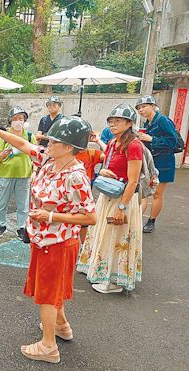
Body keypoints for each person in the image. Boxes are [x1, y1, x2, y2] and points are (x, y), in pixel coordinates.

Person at [0, 115, 96, 364]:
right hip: (44, 240)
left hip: (59, 243)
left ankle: (48, 346)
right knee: (52, 291)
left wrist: (50, 214)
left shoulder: (75, 175)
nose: (47, 143)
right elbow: (22, 144)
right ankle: (62, 327)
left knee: (48, 294)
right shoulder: (48, 160)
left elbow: (90, 217)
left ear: (68, 147)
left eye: (54, 141)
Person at [77, 104, 143, 294]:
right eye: (111, 121)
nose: (113, 125)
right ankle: (99, 270)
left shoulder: (134, 145)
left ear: (129, 123)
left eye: (118, 121)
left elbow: (133, 180)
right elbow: (110, 163)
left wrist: (121, 207)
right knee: (103, 233)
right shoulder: (115, 143)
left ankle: (113, 281)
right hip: (109, 195)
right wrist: (105, 170)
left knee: (117, 237)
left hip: (123, 198)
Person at [135, 95, 179, 233]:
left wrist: (151, 139)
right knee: (144, 192)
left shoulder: (162, 120)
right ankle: (136, 220)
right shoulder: (147, 123)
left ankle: (151, 221)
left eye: (144, 106)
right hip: (150, 162)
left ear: (153, 106)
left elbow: (173, 141)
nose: (141, 110)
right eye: (139, 108)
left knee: (157, 194)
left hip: (164, 162)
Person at [0, 107, 36, 240]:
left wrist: (34, 172)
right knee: (2, 202)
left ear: (25, 121)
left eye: (21, 119)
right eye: (15, 119)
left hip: (24, 174)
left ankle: (21, 227)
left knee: (23, 204)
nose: (18, 122)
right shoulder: (4, 136)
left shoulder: (30, 136)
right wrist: (3, 154)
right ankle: (1, 225)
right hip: (6, 174)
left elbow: (36, 157)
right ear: (10, 121)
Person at [76, 131, 106, 244]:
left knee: (84, 222)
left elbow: (111, 154)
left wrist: (98, 140)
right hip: (67, 192)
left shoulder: (91, 153)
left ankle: (83, 247)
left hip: (84, 193)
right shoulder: (67, 152)